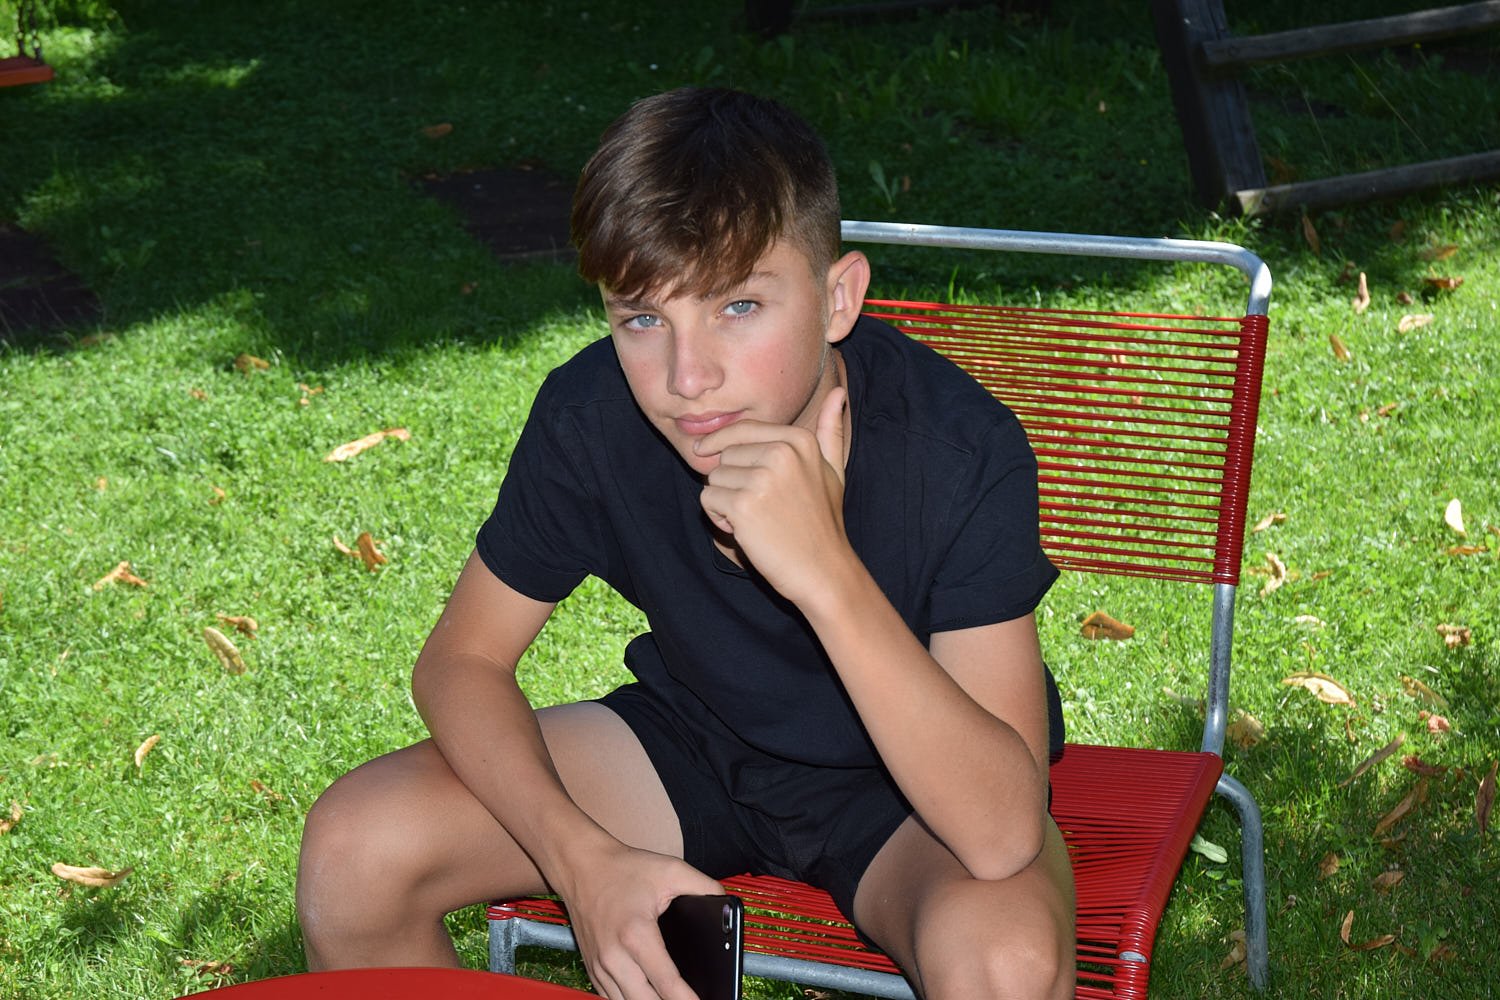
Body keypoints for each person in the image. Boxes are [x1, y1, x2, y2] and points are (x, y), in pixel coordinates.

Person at [296, 86, 1075, 1000]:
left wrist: (824, 571)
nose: (687, 377)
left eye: (738, 307)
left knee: (1006, 965)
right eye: (642, 318)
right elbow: (460, 662)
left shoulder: (956, 449)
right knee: (356, 851)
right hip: (693, 742)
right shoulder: (594, 417)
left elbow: (998, 833)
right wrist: (581, 861)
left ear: (837, 299)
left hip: (908, 785)